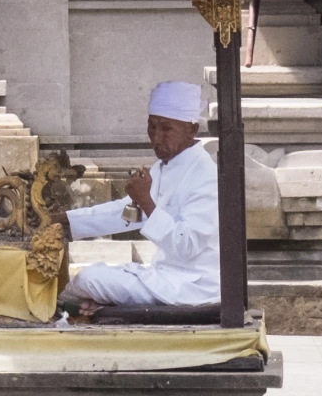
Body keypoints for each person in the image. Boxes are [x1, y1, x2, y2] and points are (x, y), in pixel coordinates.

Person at [60, 80, 218, 317]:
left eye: (166, 129)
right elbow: (125, 212)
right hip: (162, 277)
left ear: (191, 130)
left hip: (193, 287)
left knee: (88, 280)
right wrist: (63, 222)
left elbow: (186, 246)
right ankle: (100, 306)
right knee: (85, 282)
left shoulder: (205, 175)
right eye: (151, 127)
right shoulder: (164, 167)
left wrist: (146, 201)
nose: (156, 138)